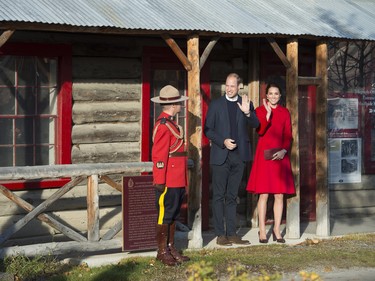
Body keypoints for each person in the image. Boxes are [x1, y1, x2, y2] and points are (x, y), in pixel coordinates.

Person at [204, 73, 259, 246]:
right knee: (219, 196)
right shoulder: (216, 104)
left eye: (232, 86)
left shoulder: (246, 104)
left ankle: (232, 233)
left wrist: (247, 112)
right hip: (221, 155)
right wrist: (223, 141)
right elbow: (208, 130)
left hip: (239, 156)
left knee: (232, 196)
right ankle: (221, 234)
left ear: (239, 87)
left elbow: (257, 125)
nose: (229, 88)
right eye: (227, 85)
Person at [246, 82, 295, 244]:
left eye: (276, 94)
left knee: (279, 195)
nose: (273, 96)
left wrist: (284, 150)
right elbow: (260, 130)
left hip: (280, 156)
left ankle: (276, 230)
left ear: (280, 96)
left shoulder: (285, 112)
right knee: (264, 194)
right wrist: (266, 115)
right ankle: (262, 230)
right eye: (271, 93)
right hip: (264, 157)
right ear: (266, 96)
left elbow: (288, 135)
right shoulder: (260, 111)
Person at [151, 85, 190, 266]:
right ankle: (161, 251)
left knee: (173, 214)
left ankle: (171, 247)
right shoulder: (163, 125)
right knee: (165, 215)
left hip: (177, 177)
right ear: (173, 105)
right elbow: (159, 156)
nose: (181, 105)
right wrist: (160, 180)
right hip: (168, 179)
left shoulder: (172, 123)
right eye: (179, 103)